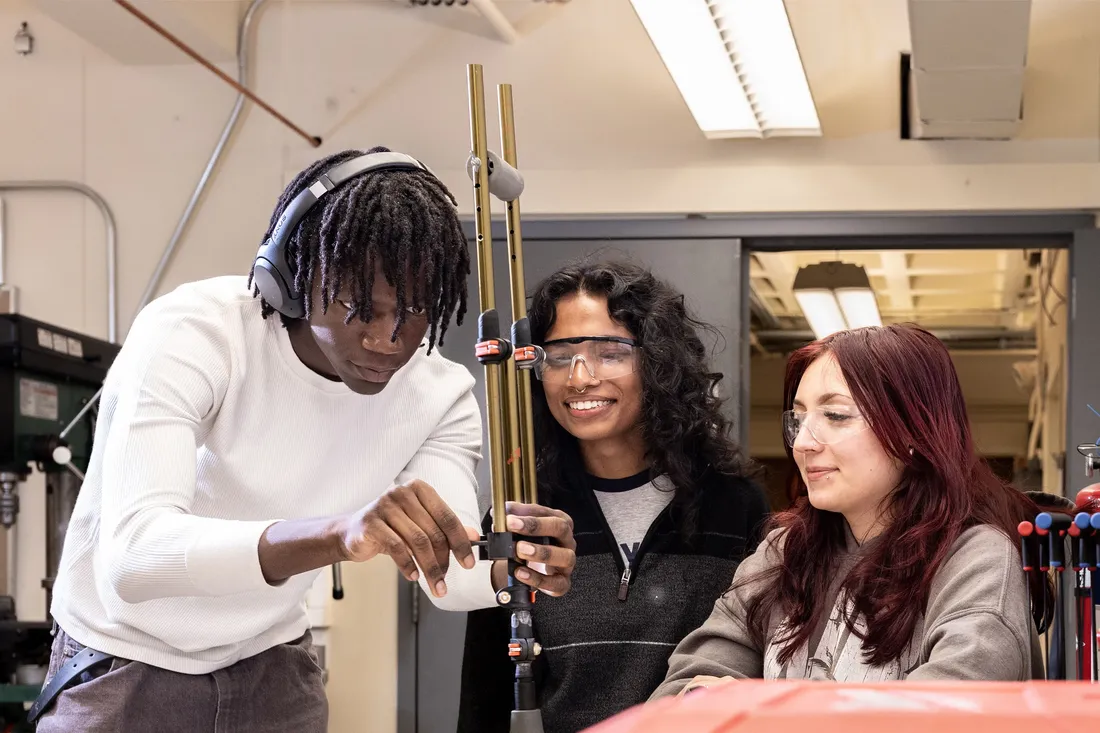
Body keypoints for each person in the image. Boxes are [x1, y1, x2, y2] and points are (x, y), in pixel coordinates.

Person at [32, 147, 577, 732]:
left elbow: (449, 573)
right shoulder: (196, 334)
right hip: (124, 664)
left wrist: (511, 568)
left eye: (415, 312)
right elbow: (134, 558)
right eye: (359, 307)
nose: (387, 342)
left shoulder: (437, 396)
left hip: (271, 665)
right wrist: (337, 534)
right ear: (291, 276)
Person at [649, 324, 1050, 698]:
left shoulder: (975, 559)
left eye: (836, 416)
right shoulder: (784, 550)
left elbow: (945, 709)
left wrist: (757, 705)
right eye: (798, 419)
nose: (803, 442)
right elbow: (686, 688)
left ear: (913, 432)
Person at [457, 260, 770, 732]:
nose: (579, 377)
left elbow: (761, 669)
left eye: (610, 353)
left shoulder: (736, 505)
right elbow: (485, 695)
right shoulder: (523, 511)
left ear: (658, 363)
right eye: (559, 355)